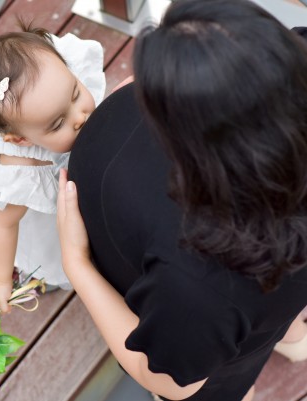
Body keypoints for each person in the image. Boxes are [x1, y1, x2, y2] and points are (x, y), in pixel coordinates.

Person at [56, 1, 307, 400]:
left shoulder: (201, 283)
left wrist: (77, 264)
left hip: (222, 337)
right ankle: (291, 332)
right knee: (275, 316)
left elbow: (169, 381)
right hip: (269, 300)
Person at [0, 22, 106, 313]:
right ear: (21, 139)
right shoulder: (22, 174)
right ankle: (11, 266)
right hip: (47, 215)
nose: (80, 117)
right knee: (50, 249)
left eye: (76, 94)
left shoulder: (56, 82)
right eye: (58, 123)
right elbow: (6, 225)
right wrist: (2, 281)